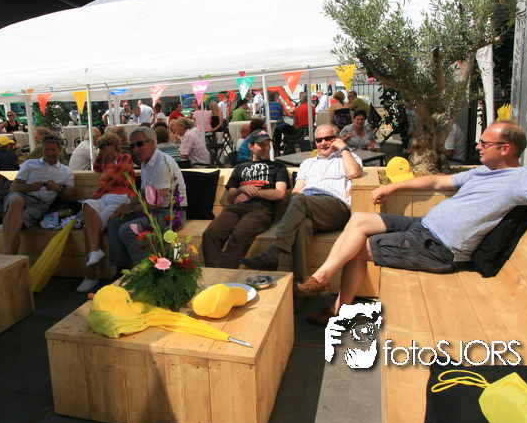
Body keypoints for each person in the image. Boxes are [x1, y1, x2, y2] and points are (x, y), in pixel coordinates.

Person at [302, 120, 527, 325]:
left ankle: (335, 307)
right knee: (360, 219)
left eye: (485, 142)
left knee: (357, 248)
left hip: (438, 248)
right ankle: (324, 276)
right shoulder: (483, 171)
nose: (478, 146)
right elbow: (438, 180)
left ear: (505, 149)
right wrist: (394, 187)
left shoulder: (521, 179)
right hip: (423, 226)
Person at [240, 124, 363, 296]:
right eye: (319, 140)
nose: (323, 143)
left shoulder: (347, 157)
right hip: (308, 206)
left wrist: (343, 147)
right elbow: (297, 190)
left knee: (300, 200)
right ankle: (301, 287)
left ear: (336, 139)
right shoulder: (308, 163)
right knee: (303, 225)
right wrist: (297, 206)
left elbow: (354, 172)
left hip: (335, 208)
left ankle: (275, 251)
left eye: (328, 139)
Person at [202, 131, 290, 268]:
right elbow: (231, 198)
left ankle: (221, 275)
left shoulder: (278, 167)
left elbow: (280, 194)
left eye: (268, 144)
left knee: (240, 234)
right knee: (210, 233)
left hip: (260, 209)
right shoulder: (239, 168)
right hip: (236, 208)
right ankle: (214, 274)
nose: (266, 148)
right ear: (251, 147)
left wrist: (254, 193)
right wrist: (241, 189)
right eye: (261, 145)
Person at [107, 127, 187, 269]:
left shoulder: (162, 163)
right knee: (114, 223)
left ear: (152, 143)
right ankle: (121, 270)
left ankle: (147, 271)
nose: (135, 149)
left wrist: (130, 210)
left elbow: (155, 203)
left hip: (171, 214)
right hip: (154, 212)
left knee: (127, 230)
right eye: (132, 146)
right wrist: (126, 208)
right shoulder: (145, 163)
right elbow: (143, 194)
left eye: (139, 144)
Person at [79, 132, 136, 293]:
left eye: (104, 145)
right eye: (99, 146)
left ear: (114, 145)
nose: (101, 149)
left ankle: (90, 276)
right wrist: (100, 153)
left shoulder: (125, 158)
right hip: (104, 198)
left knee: (89, 229)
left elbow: (117, 178)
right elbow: (96, 167)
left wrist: (98, 192)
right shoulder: (108, 164)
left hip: (120, 198)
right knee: (87, 205)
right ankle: (95, 252)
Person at [2, 134, 76, 255]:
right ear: (42, 149)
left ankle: (9, 256)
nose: (50, 153)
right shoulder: (30, 164)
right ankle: (8, 253)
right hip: (20, 196)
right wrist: (30, 187)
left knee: (14, 223)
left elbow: (71, 197)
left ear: (59, 150)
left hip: (39, 205)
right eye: (46, 149)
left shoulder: (66, 171)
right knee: (17, 201)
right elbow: (13, 187)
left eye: (53, 150)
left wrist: (58, 189)